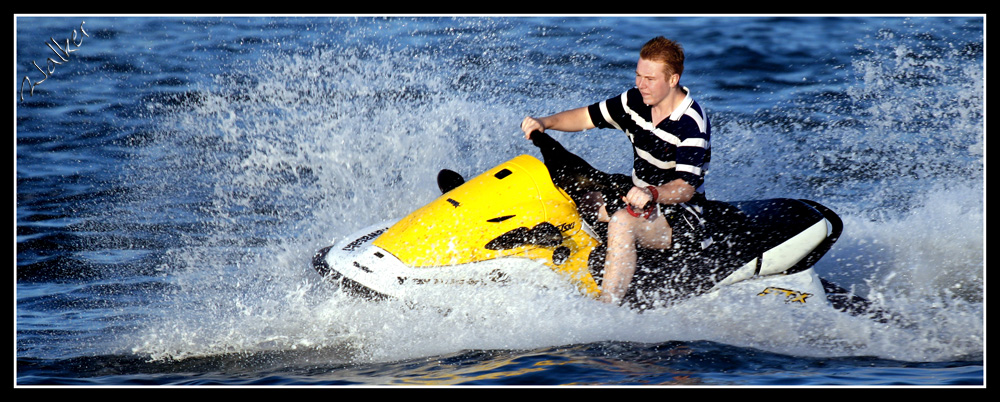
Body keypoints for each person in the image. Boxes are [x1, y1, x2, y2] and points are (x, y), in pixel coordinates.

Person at [520, 36, 712, 305]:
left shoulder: (692, 123)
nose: (640, 84)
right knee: (580, 190)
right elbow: (587, 117)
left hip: (681, 218)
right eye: (638, 75)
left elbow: (685, 187)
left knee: (621, 221)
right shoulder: (636, 101)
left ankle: (606, 309)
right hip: (639, 195)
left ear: (673, 79)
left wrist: (651, 193)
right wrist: (545, 122)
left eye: (649, 78)